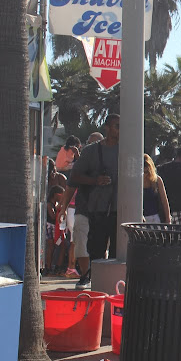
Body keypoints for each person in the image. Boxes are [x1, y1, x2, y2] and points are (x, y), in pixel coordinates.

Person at [70, 115, 120, 289]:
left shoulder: (129, 150)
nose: (120, 130)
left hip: (121, 212)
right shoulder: (91, 151)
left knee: (118, 255)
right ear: (107, 127)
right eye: (117, 126)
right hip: (97, 210)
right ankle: (94, 285)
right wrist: (95, 180)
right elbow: (74, 177)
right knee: (96, 252)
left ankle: (114, 291)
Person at [142, 154, 170, 223]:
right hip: (140, 218)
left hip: (155, 218)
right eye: (143, 172)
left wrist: (168, 218)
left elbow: (164, 201)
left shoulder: (157, 180)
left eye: (147, 172)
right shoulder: (136, 181)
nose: (145, 175)